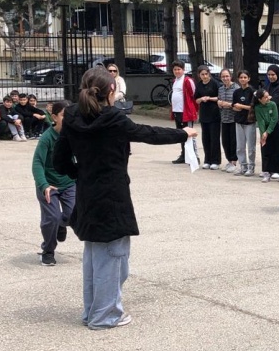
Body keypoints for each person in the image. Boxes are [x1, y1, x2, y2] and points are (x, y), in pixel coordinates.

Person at [53, 68, 195, 329]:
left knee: (95, 258)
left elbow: (59, 162)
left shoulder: (72, 116)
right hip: (112, 196)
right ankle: (104, 316)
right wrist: (183, 134)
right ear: (110, 91)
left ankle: (92, 311)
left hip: (87, 194)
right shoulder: (113, 119)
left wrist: (82, 173)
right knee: (114, 256)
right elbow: (148, 134)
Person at [33, 101, 76, 267]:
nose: (69, 119)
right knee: (51, 217)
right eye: (65, 115)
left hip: (69, 183)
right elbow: (37, 163)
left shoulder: (74, 136)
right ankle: (48, 250)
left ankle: (61, 224)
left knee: (72, 214)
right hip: (48, 185)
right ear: (54, 116)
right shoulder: (47, 138)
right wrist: (43, 185)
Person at [169, 60, 197, 164]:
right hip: (177, 111)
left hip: (186, 112)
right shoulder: (175, 81)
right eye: (175, 69)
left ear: (183, 69)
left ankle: (193, 156)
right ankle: (184, 155)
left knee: (189, 133)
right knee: (181, 134)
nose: (177, 71)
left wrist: (192, 110)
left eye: (179, 69)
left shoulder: (187, 80)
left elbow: (193, 94)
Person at [194, 65, 221, 169]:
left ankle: (215, 161)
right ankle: (207, 160)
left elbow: (220, 97)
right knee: (206, 138)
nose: (205, 76)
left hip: (214, 114)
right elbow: (196, 99)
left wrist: (209, 98)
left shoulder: (215, 83)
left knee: (214, 138)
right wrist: (201, 99)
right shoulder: (199, 85)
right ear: (199, 75)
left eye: (206, 74)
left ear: (209, 73)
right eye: (202, 74)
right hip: (204, 114)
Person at [255, 88, 279, 182]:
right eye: (265, 97)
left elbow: (274, 118)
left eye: (268, 96)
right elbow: (260, 121)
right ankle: (266, 171)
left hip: (274, 128)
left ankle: (277, 170)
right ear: (260, 99)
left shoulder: (272, 104)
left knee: (277, 149)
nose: (268, 98)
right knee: (265, 149)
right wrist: (263, 133)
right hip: (265, 130)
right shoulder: (257, 107)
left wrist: (267, 132)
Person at [232, 70, 257, 176]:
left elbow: (254, 107)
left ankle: (251, 167)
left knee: (251, 146)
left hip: (249, 121)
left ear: (249, 78)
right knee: (240, 146)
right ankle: (243, 165)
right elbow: (234, 105)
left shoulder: (252, 91)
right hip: (239, 121)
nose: (243, 79)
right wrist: (235, 107)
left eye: (245, 77)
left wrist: (241, 106)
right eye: (241, 77)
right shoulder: (236, 92)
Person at [217, 69, 239, 172]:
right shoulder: (221, 89)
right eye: (223, 77)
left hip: (234, 118)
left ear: (231, 76)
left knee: (233, 141)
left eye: (227, 76)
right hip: (224, 118)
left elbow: (238, 105)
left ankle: (234, 161)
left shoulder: (236, 88)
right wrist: (219, 104)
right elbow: (219, 101)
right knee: (225, 141)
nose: (225, 78)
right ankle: (229, 160)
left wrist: (228, 104)